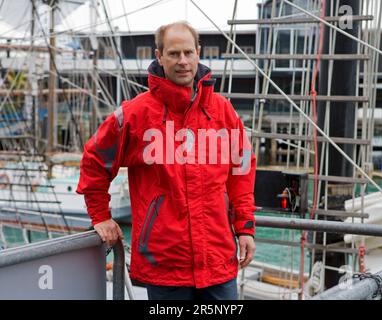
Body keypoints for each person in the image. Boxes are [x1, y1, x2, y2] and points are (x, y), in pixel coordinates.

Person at [77, 21, 256, 300]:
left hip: (218, 261)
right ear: (158, 56)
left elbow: (241, 173)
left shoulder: (223, 112)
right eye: (173, 54)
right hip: (166, 266)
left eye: (188, 52)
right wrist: (100, 216)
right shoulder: (135, 115)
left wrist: (245, 228)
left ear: (198, 53)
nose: (182, 61)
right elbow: (94, 161)